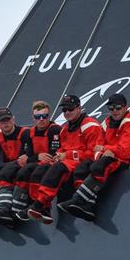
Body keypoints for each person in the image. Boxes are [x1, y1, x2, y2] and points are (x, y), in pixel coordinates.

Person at [58, 93, 130, 221]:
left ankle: (78, 201)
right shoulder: (107, 122)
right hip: (119, 158)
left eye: (118, 107)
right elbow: (96, 148)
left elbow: (124, 152)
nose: (114, 111)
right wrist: (102, 151)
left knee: (101, 165)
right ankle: (87, 205)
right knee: (83, 167)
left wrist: (105, 149)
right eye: (111, 108)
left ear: (125, 107)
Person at [27, 95, 103, 223]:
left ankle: (40, 204)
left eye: (70, 109)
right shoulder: (65, 129)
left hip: (84, 163)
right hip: (70, 162)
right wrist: (57, 156)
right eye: (64, 110)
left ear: (79, 108)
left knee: (58, 167)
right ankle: (41, 207)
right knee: (43, 168)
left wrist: (67, 155)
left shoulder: (90, 125)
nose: (67, 112)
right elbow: (62, 149)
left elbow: (93, 154)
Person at [0, 100, 61, 223]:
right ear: (33, 117)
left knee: (31, 172)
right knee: (4, 174)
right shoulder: (30, 132)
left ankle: (34, 209)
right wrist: (35, 157)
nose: (41, 119)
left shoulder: (54, 130)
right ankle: (2, 210)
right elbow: (27, 155)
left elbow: (52, 154)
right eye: (38, 117)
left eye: (44, 116)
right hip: (35, 163)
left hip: (53, 163)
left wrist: (33, 158)